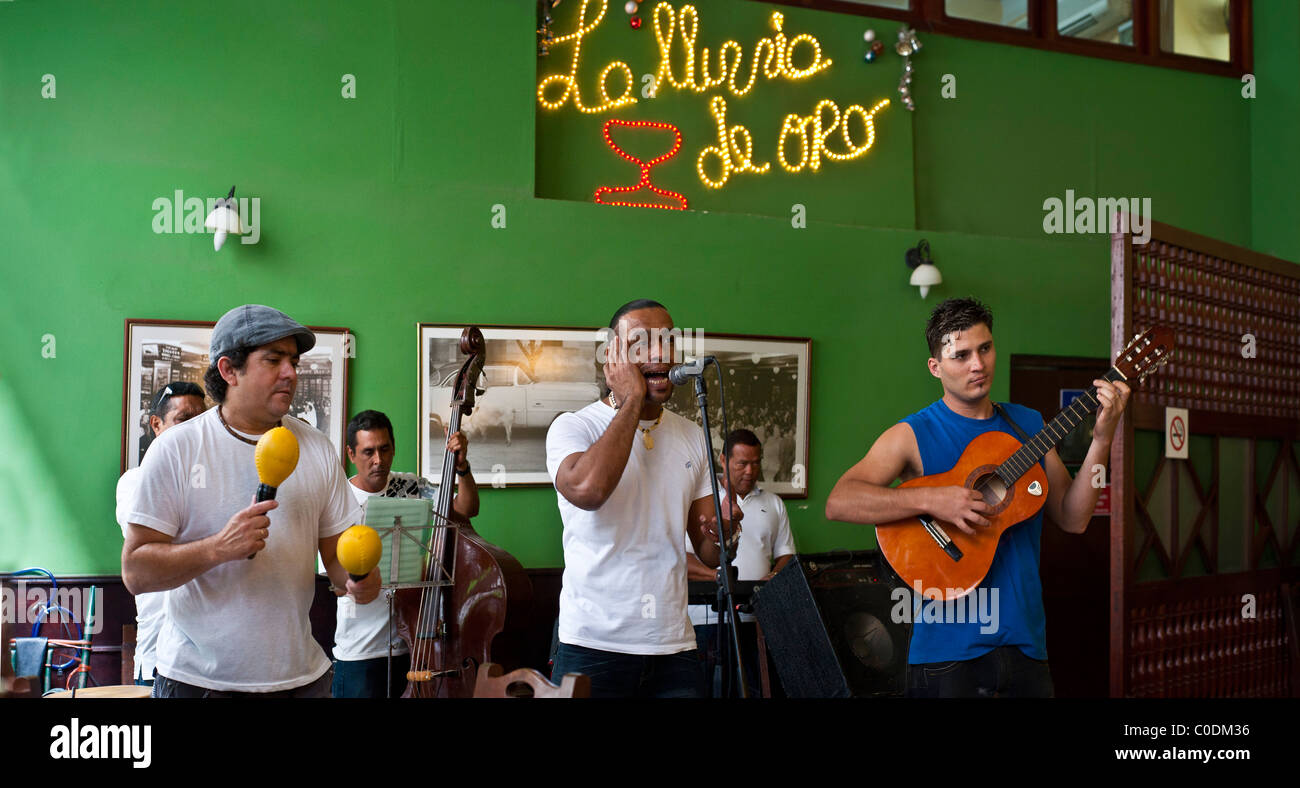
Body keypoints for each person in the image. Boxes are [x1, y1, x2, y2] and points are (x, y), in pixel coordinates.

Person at [825, 297, 1128, 698]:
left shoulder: (1028, 424)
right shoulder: (912, 434)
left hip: (1026, 646)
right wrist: (933, 500)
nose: (977, 364)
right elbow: (840, 501)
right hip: (947, 656)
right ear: (936, 367)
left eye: (985, 348)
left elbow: (1073, 518)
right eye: (961, 354)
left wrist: (1103, 437)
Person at [121, 304, 378, 697]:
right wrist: (217, 548)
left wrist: (360, 580)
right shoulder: (176, 449)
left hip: (301, 679)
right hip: (195, 682)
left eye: (293, 360)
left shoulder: (319, 448)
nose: (291, 373)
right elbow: (136, 572)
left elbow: (339, 560)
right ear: (229, 370)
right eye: (274, 360)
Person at [546, 298, 741, 698]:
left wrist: (726, 532)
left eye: (668, 341)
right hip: (592, 645)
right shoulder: (573, 427)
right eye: (641, 343)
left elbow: (707, 550)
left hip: (674, 644)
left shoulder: (690, 435)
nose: (660, 353)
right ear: (613, 359)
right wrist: (632, 399)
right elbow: (589, 490)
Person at [333, 409, 479, 698]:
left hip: (412, 645)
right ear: (351, 454)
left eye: (385, 449)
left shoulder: (410, 485)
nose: (379, 460)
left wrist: (462, 469)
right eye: (368, 452)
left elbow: (465, 509)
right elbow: (335, 579)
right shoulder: (337, 499)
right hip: (360, 651)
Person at [686, 428, 795, 697]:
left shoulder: (774, 503)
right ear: (723, 460)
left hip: (758, 620)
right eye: (742, 463)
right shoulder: (702, 503)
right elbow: (682, 559)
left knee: (756, 691)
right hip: (705, 622)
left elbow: (786, 555)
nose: (749, 470)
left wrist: (774, 576)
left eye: (756, 463)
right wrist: (718, 580)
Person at [115, 381, 205, 686]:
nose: (192, 430)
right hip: (158, 659)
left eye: (199, 421)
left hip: (210, 663)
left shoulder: (208, 482)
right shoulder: (134, 481)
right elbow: (156, 542)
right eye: (182, 420)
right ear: (156, 424)